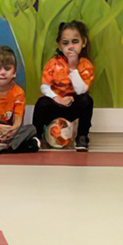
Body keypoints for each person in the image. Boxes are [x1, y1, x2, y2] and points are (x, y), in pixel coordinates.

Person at [32, 21, 94, 151]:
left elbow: (81, 90)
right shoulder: (54, 64)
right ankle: (36, 136)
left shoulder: (85, 65)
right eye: (65, 43)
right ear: (60, 46)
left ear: (83, 42)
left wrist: (73, 68)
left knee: (87, 101)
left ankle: (82, 137)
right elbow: (44, 87)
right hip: (56, 105)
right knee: (41, 103)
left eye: (75, 42)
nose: (70, 47)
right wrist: (57, 98)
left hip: (72, 105)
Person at [0, 46, 39, 154]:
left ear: (14, 71)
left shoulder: (18, 92)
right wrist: (0, 128)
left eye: (7, 68)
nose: (3, 73)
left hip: (11, 131)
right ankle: (16, 146)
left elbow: (18, 122)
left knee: (31, 129)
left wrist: (11, 130)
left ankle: (7, 147)